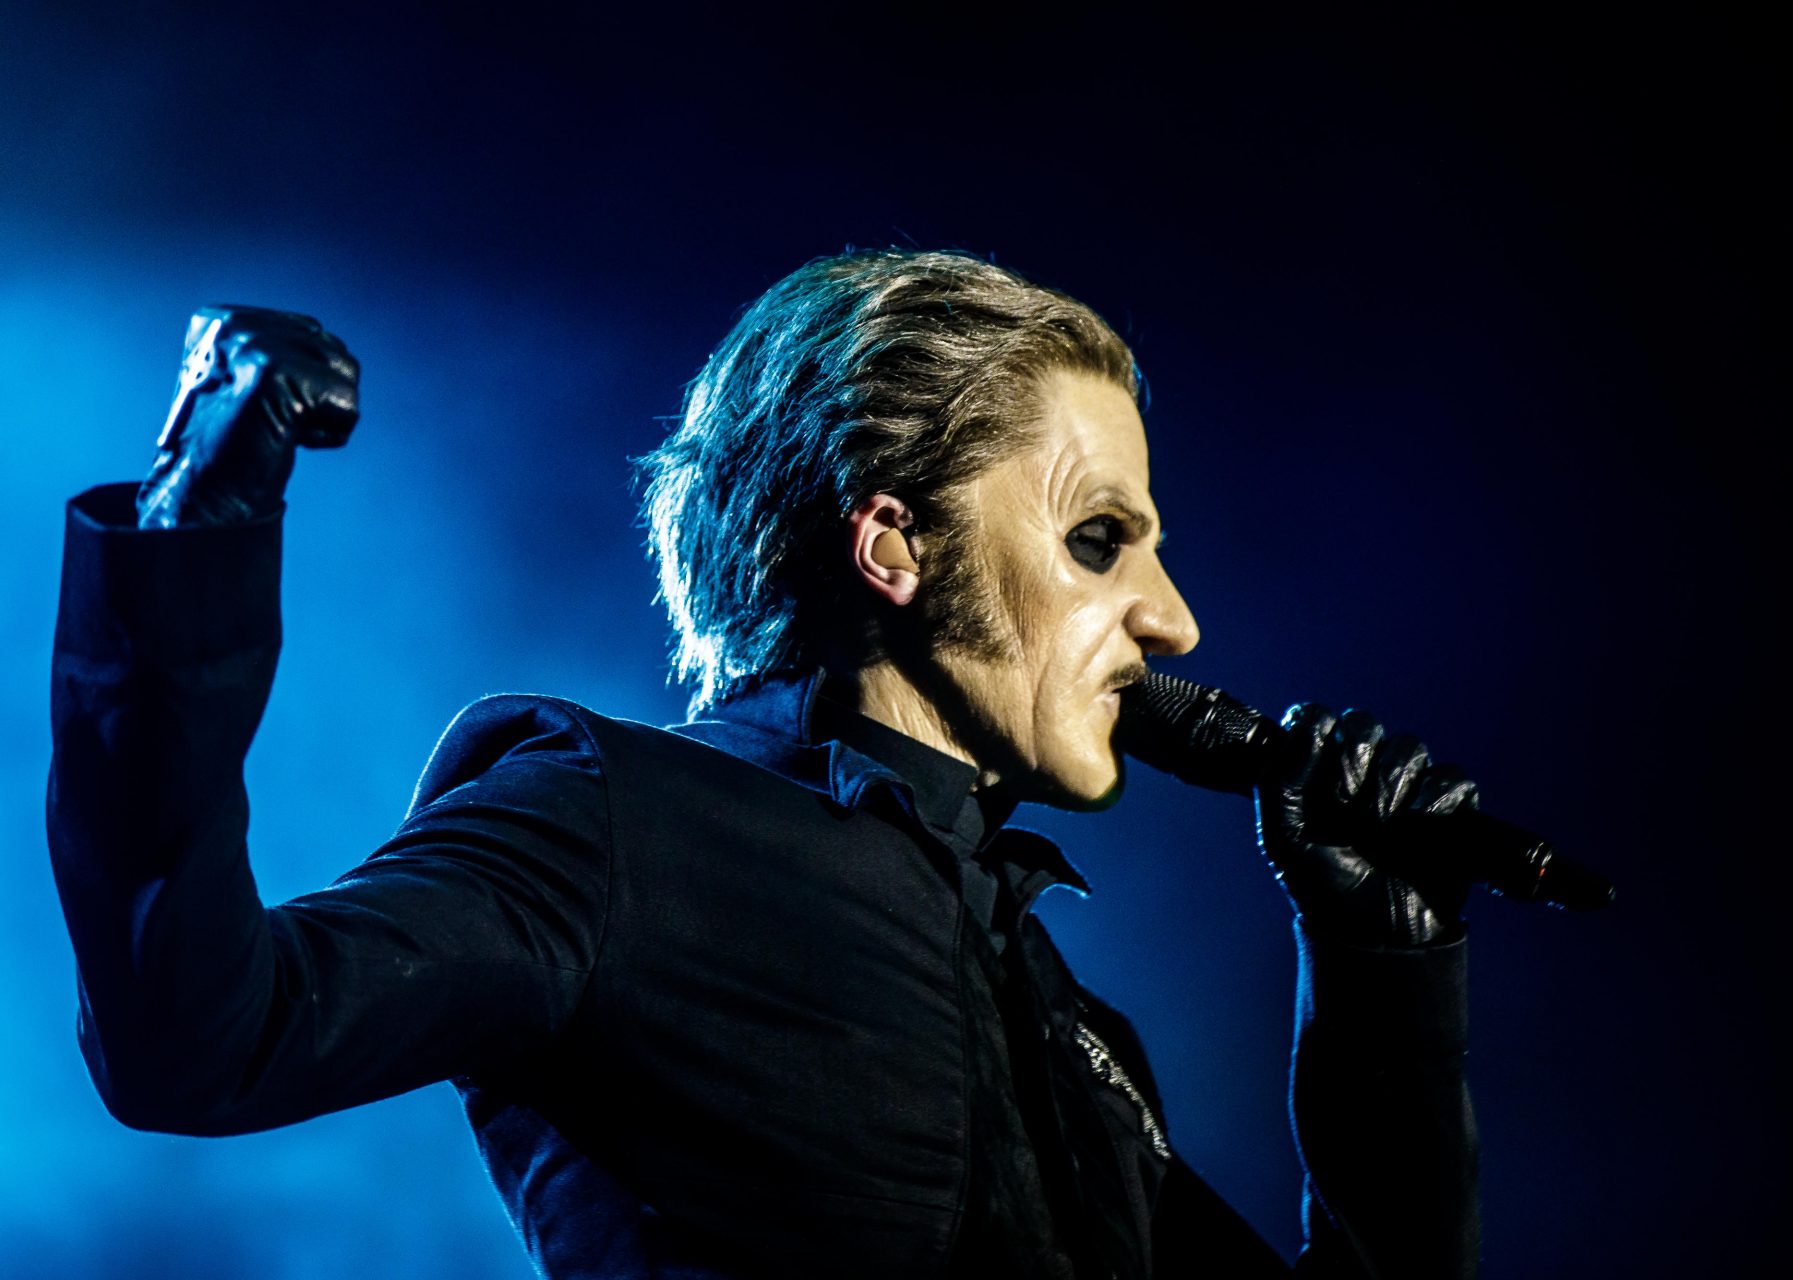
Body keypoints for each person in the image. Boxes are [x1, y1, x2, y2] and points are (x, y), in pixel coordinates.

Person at [48, 251, 1480, 1278]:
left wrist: (1379, 973)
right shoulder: (615, 829)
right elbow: (199, 1035)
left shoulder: (1069, 1026)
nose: (1171, 620)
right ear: (893, 546)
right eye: (1100, 539)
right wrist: (192, 539)